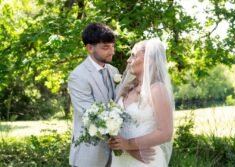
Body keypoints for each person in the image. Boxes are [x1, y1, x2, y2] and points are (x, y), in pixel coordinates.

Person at [108, 38, 174, 167]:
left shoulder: (157, 89)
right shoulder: (127, 88)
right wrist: (120, 144)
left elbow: (166, 133)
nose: (128, 60)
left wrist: (129, 144)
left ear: (148, 60)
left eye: (133, 55)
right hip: (121, 158)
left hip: (146, 160)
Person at [68, 22, 119, 167]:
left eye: (112, 46)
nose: (112, 52)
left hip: (116, 157)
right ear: (90, 48)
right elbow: (89, 114)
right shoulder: (78, 76)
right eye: (105, 47)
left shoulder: (114, 71)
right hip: (89, 154)